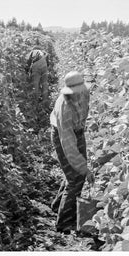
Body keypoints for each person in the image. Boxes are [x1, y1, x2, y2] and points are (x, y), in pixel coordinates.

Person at [50, 71, 95, 234]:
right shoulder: (64, 108)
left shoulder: (84, 93)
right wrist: (84, 168)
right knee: (74, 177)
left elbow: (84, 113)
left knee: (76, 175)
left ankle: (57, 206)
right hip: (62, 134)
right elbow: (68, 146)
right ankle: (63, 222)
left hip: (78, 130)